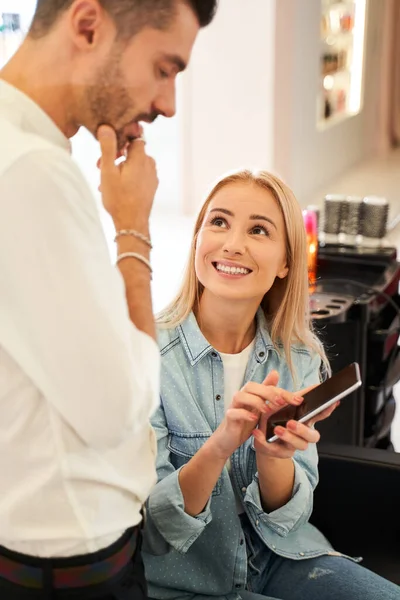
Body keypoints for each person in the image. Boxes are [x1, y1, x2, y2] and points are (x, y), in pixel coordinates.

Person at [0, 1, 217, 598]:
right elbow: (116, 407)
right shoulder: (32, 172)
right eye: (164, 67)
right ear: (89, 25)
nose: (167, 103)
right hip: (73, 568)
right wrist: (133, 232)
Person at [142, 169, 400, 600]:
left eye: (258, 230)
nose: (233, 244)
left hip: (285, 559)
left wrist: (272, 455)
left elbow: (289, 520)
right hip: (187, 578)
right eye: (218, 222)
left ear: (285, 263)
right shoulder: (144, 355)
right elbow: (156, 527)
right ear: (197, 239)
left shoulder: (300, 357)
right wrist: (221, 443)